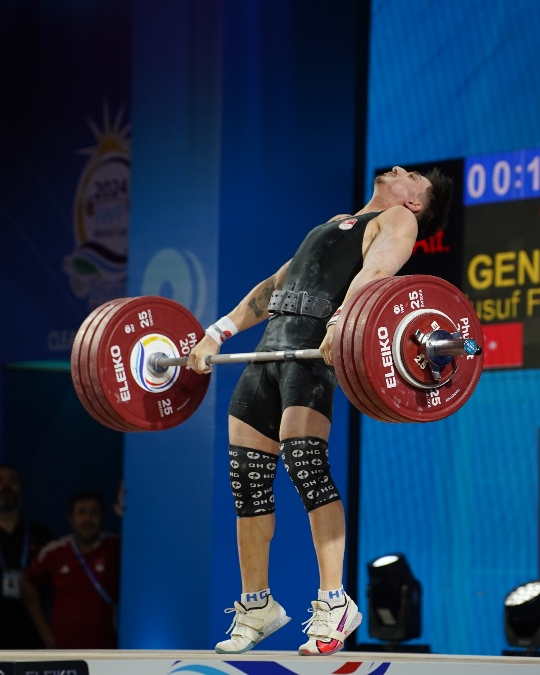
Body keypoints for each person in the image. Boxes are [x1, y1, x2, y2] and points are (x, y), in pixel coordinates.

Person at [186, 165, 453, 656]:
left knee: (306, 468)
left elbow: (375, 275)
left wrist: (340, 321)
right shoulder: (335, 221)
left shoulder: (399, 220)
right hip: (269, 352)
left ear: (416, 202)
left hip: (312, 353)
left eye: (413, 176)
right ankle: (256, 605)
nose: (398, 169)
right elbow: (272, 288)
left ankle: (335, 603)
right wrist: (215, 333)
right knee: (247, 483)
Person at [22, 490, 121, 649]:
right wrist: (43, 629)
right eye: (81, 513)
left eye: (94, 512)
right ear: (71, 519)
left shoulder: (116, 547)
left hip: (108, 649)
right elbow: (26, 581)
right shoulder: (54, 552)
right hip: (65, 649)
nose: (88, 519)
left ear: (103, 516)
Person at [0, 463, 55, 649]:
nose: (6, 486)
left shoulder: (42, 535)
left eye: (12, 481)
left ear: (23, 492)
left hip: (34, 636)